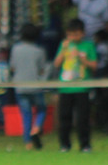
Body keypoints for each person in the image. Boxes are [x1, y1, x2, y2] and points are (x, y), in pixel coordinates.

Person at [54, 18, 97, 152]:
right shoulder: (64, 45)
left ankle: (85, 145)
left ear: (83, 33)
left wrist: (83, 60)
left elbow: (94, 66)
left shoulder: (88, 46)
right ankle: (65, 145)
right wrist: (64, 50)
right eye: (71, 34)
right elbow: (56, 64)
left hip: (82, 87)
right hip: (66, 87)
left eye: (77, 34)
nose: (74, 37)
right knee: (64, 117)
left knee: (83, 118)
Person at [9, 23, 49, 150]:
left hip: (20, 86)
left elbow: (12, 67)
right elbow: (42, 70)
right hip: (35, 86)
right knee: (41, 109)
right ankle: (36, 127)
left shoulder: (15, 49)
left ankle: (28, 143)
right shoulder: (39, 51)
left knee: (26, 115)